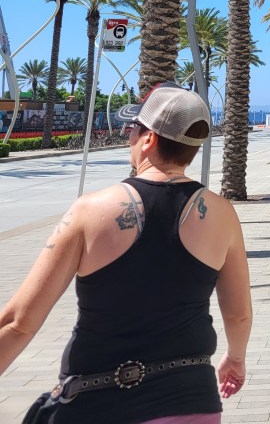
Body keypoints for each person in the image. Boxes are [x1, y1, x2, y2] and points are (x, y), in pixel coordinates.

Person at [0, 82, 252, 424]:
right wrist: (236, 358)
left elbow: (19, 322)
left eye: (133, 128)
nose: (128, 136)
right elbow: (238, 313)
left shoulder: (90, 210)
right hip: (193, 401)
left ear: (149, 139)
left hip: (98, 402)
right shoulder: (223, 214)